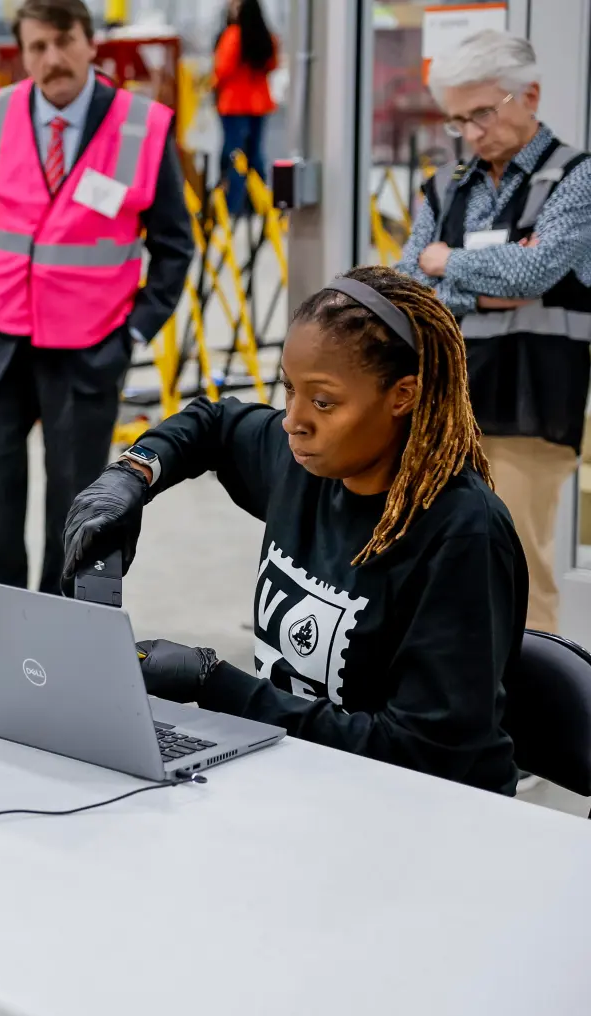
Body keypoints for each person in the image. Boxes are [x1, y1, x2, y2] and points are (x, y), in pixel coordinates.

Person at [61, 266, 526, 795]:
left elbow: (423, 755)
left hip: (421, 815)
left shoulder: (461, 535)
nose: (293, 420)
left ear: (403, 395)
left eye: (324, 402)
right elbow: (213, 425)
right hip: (302, 777)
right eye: (289, 389)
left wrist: (213, 683)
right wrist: (133, 474)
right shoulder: (305, 464)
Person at [0, 0, 194, 595]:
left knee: (79, 508)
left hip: (88, 344)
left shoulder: (141, 125)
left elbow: (174, 247)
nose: (52, 59)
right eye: (37, 47)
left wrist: (134, 332)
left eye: (63, 41)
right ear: (22, 53)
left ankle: (61, 642)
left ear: (89, 42)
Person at [396, 30, 591, 635]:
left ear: (528, 94)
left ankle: (545, 719)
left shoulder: (575, 178)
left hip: (531, 403)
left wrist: (444, 261)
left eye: (482, 113)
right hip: (445, 402)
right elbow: (408, 282)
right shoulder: (448, 183)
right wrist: (486, 286)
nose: (473, 134)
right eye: (459, 121)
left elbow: (537, 271)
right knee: (436, 566)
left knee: (520, 572)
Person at [213, 0, 278, 217]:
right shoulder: (266, 37)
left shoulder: (232, 36)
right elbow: (272, 65)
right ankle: (258, 205)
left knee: (234, 156)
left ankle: (235, 207)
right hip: (260, 104)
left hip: (234, 105)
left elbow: (222, 70)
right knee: (256, 154)